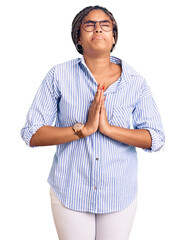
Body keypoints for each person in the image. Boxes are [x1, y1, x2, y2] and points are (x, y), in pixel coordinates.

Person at [21, 5, 165, 240]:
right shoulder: (58, 75)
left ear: (114, 36)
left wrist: (107, 129)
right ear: (78, 37)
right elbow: (32, 133)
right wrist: (83, 130)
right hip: (70, 190)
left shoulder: (135, 82)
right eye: (89, 24)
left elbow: (156, 138)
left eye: (105, 25)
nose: (98, 29)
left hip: (119, 193)